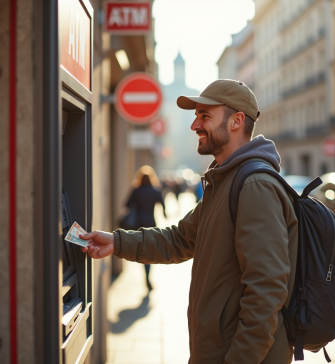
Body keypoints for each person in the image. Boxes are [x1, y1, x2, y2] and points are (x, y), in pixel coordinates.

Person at [80, 79, 298, 364]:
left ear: (236, 121)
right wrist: (117, 241)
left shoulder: (254, 186)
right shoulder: (225, 181)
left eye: (204, 116)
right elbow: (179, 239)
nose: (195, 125)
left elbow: (267, 291)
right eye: (196, 116)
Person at [123, 165, 166, 290]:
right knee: (149, 250)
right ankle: (148, 276)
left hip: (138, 224)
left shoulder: (136, 190)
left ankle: (145, 274)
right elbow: (163, 206)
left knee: (141, 249)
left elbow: (126, 205)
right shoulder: (155, 190)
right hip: (151, 223)